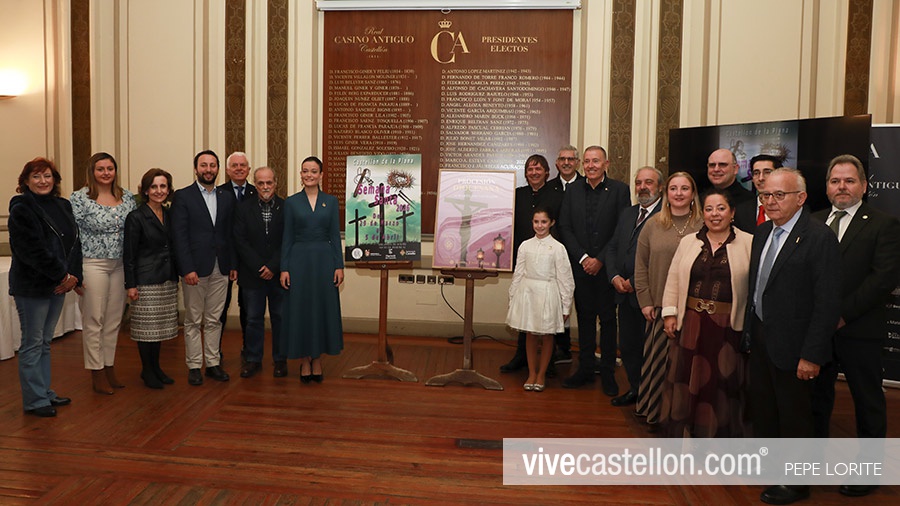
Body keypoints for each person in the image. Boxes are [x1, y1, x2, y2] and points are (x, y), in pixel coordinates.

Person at [745, 168, 841, 505]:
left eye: (779, 195)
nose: (770, 201)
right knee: (766, 410)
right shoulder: (762, 233)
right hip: (761, 339)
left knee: (796, 416)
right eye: (765, 195)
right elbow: (758, 289)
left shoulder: (818, 237)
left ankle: (797, 483)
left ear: (800, 198)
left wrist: (811, 355)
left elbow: (827, 303)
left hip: (797, 346)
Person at [811, 155, 900, 497]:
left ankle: (868, 469)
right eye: (835, 181)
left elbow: (883, 279)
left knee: (867, 401)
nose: (842, 187)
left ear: (863, 186)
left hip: (860, 330)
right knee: (816, 399)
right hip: (816, 332)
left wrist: (841, 314)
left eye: (849, 181)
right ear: (827, 187)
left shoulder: (883, 224)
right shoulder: (812, 221)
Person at [661, 189, 752, 437]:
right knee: (688, 378)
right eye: (709, 209)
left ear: (732, 213)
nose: (715, 214)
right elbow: (673, 278)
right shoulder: (689, 242)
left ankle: (719, 436)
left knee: (721, 382)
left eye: (721, 208)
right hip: (690, 323)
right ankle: (686, 433)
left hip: (727, 327)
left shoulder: (748, 243)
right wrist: (670, 313)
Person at [8, 157, 82, 417]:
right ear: (26, 181)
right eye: (36, 176)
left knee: (45, 342)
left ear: (55, 179)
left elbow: (74, 243)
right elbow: (31, 251)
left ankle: (44, 392)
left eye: (47, 176)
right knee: (32, 343)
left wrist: (73, 276)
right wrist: (63, 276)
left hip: (58, 285)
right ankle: (35, 400)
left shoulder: (62, 205)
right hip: (32, 286)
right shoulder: (21, 208)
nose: (43, 181)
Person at [633, 172, 703, 430]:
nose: (679, 193)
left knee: (687, 367)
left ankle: (683, 419)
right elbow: (640, 265)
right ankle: (654, 413)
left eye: (685, 188)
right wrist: (645, 300)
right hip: (659, 307)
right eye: (673, 188)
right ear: (666, 192)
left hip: (694, 309)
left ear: (693, 193)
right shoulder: (653, 224)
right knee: (659, 365)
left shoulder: (704, 224)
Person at [558, 145, 630, 393]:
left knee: (608, 321)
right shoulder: (573, 190)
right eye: (587, 161)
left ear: (606, 164)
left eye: (596, 161)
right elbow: (565, 227)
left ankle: (608, 372)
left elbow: (622, 229)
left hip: (607, 269)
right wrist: (583, 258)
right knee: (585, 319)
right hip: (581, 268)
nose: (591, 166)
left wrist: (599, 259)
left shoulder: (620, 190)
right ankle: (586, 369)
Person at [70, 152, 137, 394]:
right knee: (94, 319)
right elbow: (72, 237)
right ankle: (95, 371)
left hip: (119, 264)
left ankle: (109, 366)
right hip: (92, 263)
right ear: (92, 171)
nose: (106, 173)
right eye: (101, 169)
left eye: (110, 168)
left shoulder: (127, 196)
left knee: (113, 320)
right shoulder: (79, 198)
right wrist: (74, 273)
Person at [171, 149, 236, 386]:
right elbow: (179, 236)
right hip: (195, 270)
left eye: (212, 165)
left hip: (222, 267)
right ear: (196, 169)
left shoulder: (226, 197)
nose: (208, 170)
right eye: (204, 165)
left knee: (214, 319)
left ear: (218, 169)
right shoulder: (183, 196)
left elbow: (231, 233)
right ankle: (194, 365)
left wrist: (233, 264)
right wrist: (187, 268)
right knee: (193, 319)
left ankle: (213, 363)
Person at [280, 156, 344, 383]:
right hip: (299, 262)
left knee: (321, 309)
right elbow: (287, 237)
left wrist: (339, 265)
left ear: (321, 175)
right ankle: (305, 360)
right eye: (305, 171)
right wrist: (284, 268)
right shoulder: (291, 202)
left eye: (314, 171)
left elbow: (334, 235)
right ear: (301, 174)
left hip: (324, 262)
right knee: (301, 310)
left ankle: (317, 359)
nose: (309, 175)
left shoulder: (331, 201)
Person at [499, 154, 563, 374]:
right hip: (524, 258)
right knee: (524, 309)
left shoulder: (557, 195)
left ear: (547, 172)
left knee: (546, 313)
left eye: (538, 169)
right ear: (525, 173)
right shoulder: (517, 195)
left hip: (547, 262)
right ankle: (521, 356)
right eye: (530, 169)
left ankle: (548, 362)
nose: (534, 173)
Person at [605, 166, 662, 406]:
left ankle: (651, 397)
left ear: (660, 187)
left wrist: (634, 281)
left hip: (649, 296)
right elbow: (613, 247)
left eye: (649, 182)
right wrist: (614, 276)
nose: (643, 187)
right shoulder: (628, 213)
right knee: (628, 346)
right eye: (639, 183)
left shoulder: (666, 216)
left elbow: (661, 258)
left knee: (650, 349)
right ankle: (636, 390)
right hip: (623, 294)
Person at [506, 207, 575, 392]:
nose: (540, 226)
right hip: (527, 293)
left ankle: (541, 374)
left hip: (548, 293)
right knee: (530, 333)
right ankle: (531, 373)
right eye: (536, 222)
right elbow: (518, 273)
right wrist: (512, 298)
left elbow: (566, 279)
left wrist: (566, 306)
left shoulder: (558, 248)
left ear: (551, 223)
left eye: (544, 222)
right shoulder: (525, 245)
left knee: (547, 335)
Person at [123, 168, 179, 389]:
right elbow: (129, 254)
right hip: (145, 280)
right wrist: (131, 285)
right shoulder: (136, 217)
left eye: (163, 186)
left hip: (167, 278)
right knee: (146, 330)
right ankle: (147, 371)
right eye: (154, 187)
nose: (159, 191)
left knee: (158, 329)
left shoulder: (169, 213)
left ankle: (156, 368)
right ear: (146, 190)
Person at [234, 166, 287, 378]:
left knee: (280, 318)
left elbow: (288, 240)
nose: (265, 187)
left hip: (278, 274)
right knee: (253, 319)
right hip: (252, 274)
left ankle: (280, 360)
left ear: (276, 183)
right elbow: (240, 241)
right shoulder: (243, 208)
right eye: (261, 183)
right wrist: (259, 266)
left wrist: (273, 266)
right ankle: (253, 359)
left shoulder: (286, 207)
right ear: (255, 184)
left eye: (269, 183)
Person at [219, 152, 256, 361]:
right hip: (223, 259)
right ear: (227, 170)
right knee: (220, 307)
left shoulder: (256, 192)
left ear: (249, 169)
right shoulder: (218, 193)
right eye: (235, 165)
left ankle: (248, 348)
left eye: (243, 165)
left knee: (248, 308)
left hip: (249, 260)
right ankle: (215, 350)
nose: (239, 168)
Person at [547, 144, 583, 363]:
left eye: (571, 159)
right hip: (553, 256)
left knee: (581, 304)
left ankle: (583, 354)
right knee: (556, 301)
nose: (567, 163)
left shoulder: (587, 186)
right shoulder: (548, 188)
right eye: (563, 159)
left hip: (581, 257)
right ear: (557, 163)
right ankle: (559, 348)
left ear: (577, 163)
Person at [733, 154, 782, 233]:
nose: (761, 178)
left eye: (767, 172)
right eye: (756, 173)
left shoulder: (788, 208)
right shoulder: (740, 211)